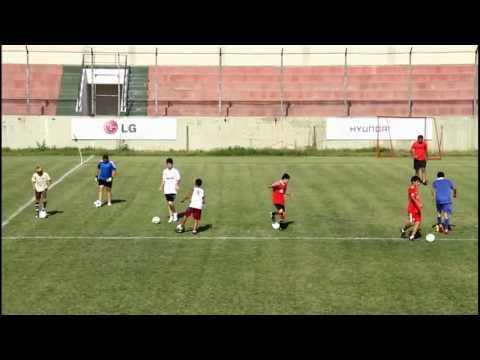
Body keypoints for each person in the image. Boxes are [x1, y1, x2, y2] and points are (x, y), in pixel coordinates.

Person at [401, 176, 423, 241]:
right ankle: (403, 229)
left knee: (418, 222)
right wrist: (418, 203)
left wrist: (420, 204)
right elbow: (412, 198)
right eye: (418, 182)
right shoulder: (412, 188)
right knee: (412, 223)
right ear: (413, 182)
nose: (419, 184)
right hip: (412, 209)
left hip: (417, 209)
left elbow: (416, 198)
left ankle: (412, 236)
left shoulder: (416, 188)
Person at [160, 158, 181, 223]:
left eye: (170, 164)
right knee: (168, 204)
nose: (169, 165)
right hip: (166, 190)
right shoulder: (164, 171)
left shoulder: (175, 171)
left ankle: (175, 214)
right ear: (166, 164)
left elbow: (178, 179)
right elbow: (163, 179)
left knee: (170, 203)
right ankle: (171, 216)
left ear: (172, 164)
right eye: (168, 164)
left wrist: (177, 185)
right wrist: (161, 186)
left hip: (173, 190)